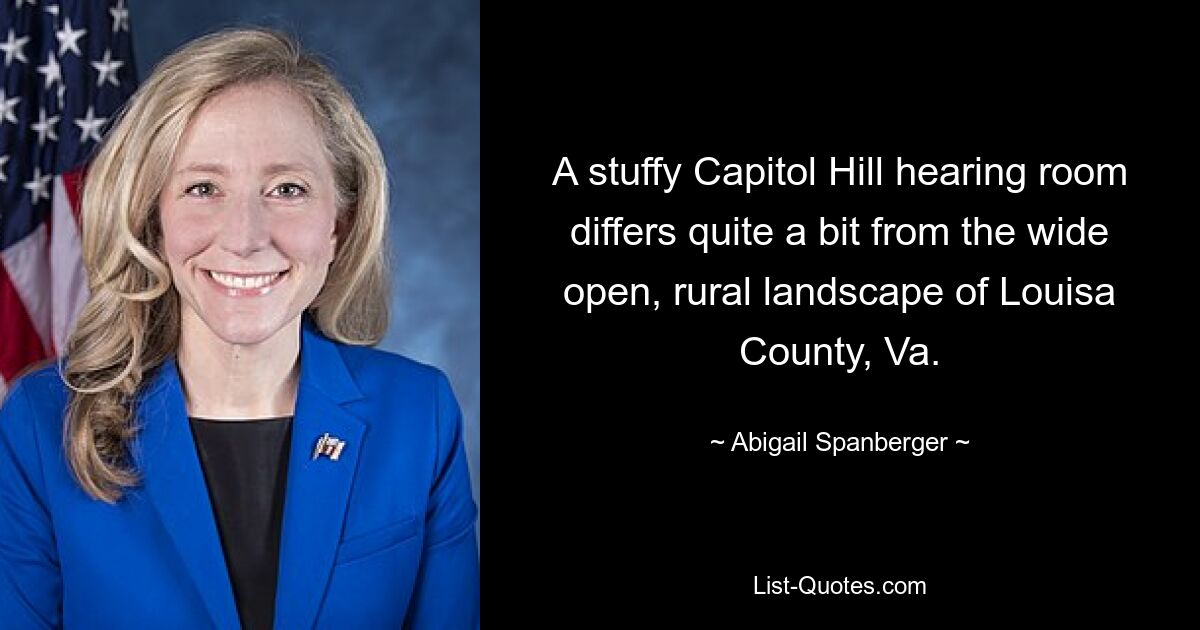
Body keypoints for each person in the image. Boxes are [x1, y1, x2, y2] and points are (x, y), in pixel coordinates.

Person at [0, 28, 479, 629]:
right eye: (203, 188)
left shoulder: (417, 413)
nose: (245, 236)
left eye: (287, 189)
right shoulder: (42, 424)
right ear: (154, 222)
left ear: (340, 224)